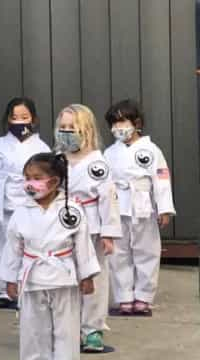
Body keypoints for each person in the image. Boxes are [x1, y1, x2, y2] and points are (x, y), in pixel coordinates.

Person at [0, 152, 100, 360]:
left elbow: (82, 245)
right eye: (26, 178)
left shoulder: (72, 210)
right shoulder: (21, 211)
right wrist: (9, 278)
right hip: (32, 278)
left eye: (36, 178)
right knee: (33, 332)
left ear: (54, 182)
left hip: (63, 278)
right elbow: (13, 247)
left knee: (66, 331)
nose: (29, 183)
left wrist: (86, 275)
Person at [54, 104, 122, 351]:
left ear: (86, 130)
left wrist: (109, 233)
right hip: (61, 228)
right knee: (65, 278)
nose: (66, 131)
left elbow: (108, 198)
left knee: (94, 277)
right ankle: (67, 325)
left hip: (92, 228)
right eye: (62, 127)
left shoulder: (97, 163)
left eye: (72, 127)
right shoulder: (57, 160)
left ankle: (92, 328)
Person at [0, 97, 50, 308]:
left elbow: (48, 178)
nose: (19, 122)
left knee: (26, 248)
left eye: (24, 117)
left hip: (29, 204)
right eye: (15, 117)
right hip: (1, 204)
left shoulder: (41, 147)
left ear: (33, 119)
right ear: (8, 120)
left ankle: (24, 287)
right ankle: (1, 291)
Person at [104, 99, 175, 314]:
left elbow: (161, 179)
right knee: (119, 253)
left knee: (147, 251)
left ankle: (143, 296)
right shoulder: (109, 153)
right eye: (114, 124)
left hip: (143, 205)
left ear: (136, 123)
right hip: (117, 206)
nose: (118, 128)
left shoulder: (151, 150)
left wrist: (164, 208)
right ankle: (124, 297)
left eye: (122, 122)